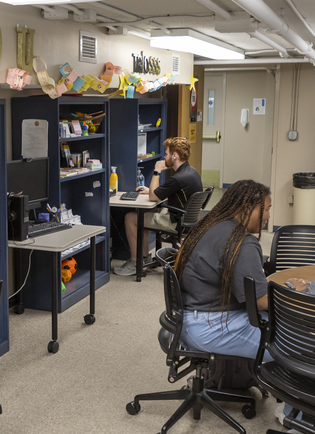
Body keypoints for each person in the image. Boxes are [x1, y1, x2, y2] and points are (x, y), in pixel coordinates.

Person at [173, 179, 271, 359]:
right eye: (266, 209)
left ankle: (237, 381)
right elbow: (259, 301)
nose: (268, 216)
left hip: (187, 318)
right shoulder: (242, 241)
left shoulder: (208, 224)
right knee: (292, 345)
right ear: (246, 207)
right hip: (208, 327)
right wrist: (290, 291)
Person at [115, 136, 202, 276]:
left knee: (131, 218)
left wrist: (157, 171)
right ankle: (143, 257)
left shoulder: (177, 178)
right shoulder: (191, 172)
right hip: (185, 219)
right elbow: (168, 192)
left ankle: (134, 262)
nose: (164, 157)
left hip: (175, 222)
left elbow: (153, 197)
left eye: (166, 154)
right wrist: (152, 191)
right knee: (147, 212)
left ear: (174, 155)